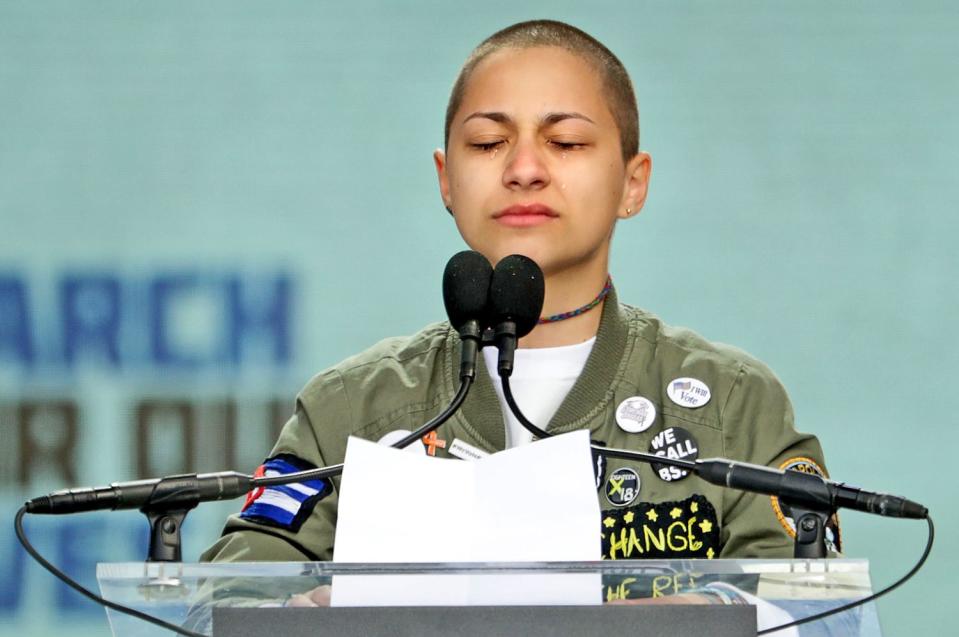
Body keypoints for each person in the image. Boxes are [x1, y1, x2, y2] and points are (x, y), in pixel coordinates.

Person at [202, 19, 839, 574]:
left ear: (632, 183)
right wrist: (294, 609)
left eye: (565, 142)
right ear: (446, 180)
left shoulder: (732, 405)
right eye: (487, 143)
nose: (525, 168)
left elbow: (811, 607)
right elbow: (234, 589)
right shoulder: (352, 409)